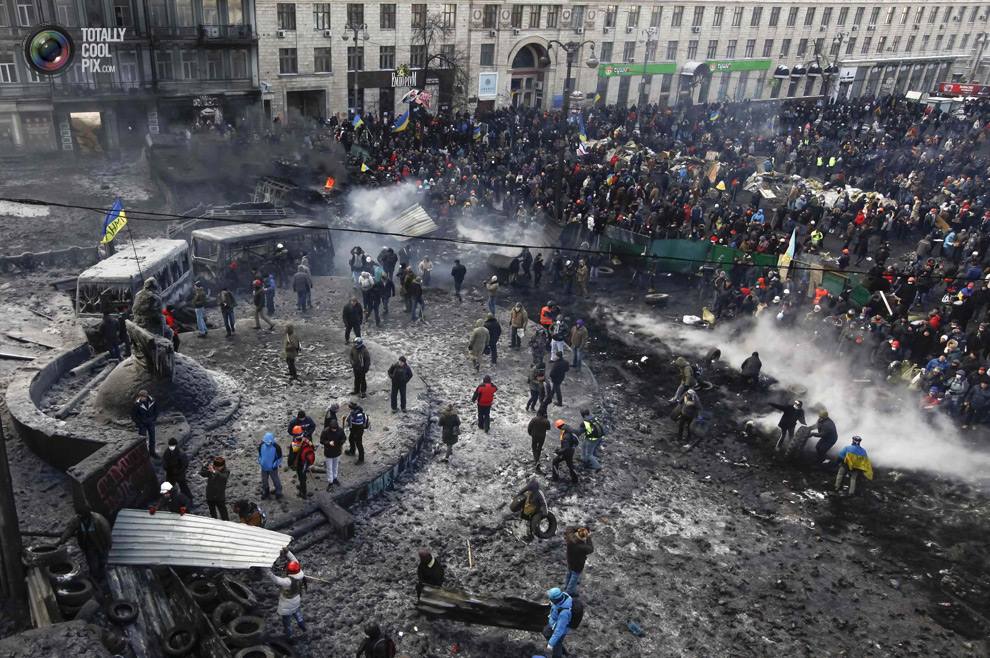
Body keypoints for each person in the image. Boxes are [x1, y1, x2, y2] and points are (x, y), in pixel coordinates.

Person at [265, 547, 308, 643]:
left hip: (287, 603)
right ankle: (303, 625)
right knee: (296, 612)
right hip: (296, 599)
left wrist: (265, 569)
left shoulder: (288, 582)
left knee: (287, 622)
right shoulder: (300, 573)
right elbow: (295, 561)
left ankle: (291, 636)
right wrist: (288, 552)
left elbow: (275, 579)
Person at [57, 506, 112, 581]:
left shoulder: (99, 519)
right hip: (88, 545)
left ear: (88, 514)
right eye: (79, 515)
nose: (80, 517)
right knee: (93, 565)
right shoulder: (77, 520)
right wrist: (61, 541)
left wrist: (109, 545)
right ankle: (95, 578)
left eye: (82, 515)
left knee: (103, 561)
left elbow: (107, 533)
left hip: (101, 544)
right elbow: (69, 530)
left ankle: (102, 575)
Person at [542, 588, 573, 658]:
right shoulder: (563, 596)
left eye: (551, 598)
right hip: (553, 623)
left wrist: (550, 645)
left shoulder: (564, 613)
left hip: (560, 630)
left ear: (555, 599)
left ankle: (560, 653)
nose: (549, 599)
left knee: (556, 649)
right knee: (546, 632)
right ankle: (563, 651)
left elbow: (559, 631)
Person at [564, 525, 594, 595]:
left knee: (569, 573)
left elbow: (569, 528)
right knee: (574, 575)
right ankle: (569, 590)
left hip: (569, 558)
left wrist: (581, 528)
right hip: (578, 564)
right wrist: (589, 537)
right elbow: (591, 549)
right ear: (584, 537)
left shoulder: (570, 537)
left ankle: (566, 586)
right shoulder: (584, 547)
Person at [289, 427, 315, 498]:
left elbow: (291, 457)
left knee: (301, 477)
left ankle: (303, 492)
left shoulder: (294, 444)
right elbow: (312, 448)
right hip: (306, 461)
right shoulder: (307, 440)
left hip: (299, 463)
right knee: (303, 475)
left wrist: (290, 464)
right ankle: (302, 486)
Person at [551, 419, 580, 483]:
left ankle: (555, 477)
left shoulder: (565, 436)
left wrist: (558, 452)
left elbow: (566, 448)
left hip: (566, 453)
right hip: (572, 450)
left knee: (555, 462)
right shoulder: (569, 428)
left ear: (558, 427)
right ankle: (575, 480)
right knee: (570, 465)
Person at [131, 390, 158, 457]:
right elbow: (133, 415)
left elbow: (156, 411)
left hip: (151, 423)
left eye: (142, 397)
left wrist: (153, 419)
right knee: (142, 440)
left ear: (146, 397)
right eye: (140, 397)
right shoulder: (137, 405)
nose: (141, 398)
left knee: (152, 439)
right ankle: (143, 454)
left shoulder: (153, 401)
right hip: (142, 424)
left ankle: (152, 452)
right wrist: (139, 423)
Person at [320, 418, 345, 489]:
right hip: (329, 452)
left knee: (335, 466)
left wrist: (341, 442)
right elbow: (322, 440)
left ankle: (335, 478)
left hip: (337, 451)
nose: (334, 430)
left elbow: (344, 438)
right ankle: (330, 481)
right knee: (329, 467)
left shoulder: (340, 430)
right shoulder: (325, 431)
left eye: (335, 429)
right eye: (332, 429)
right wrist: (328, 443)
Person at [258, 432, 284, 500]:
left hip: (273, 468)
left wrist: (274, 465)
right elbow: (259, 454)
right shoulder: (261, 445)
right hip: (264, 467)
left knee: (275, 480)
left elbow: (280, 458)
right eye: (265, 442)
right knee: (264, 480)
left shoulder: (277, 447)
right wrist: (260, 462)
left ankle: (278, 492)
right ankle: (266, 492)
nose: (267, 443)